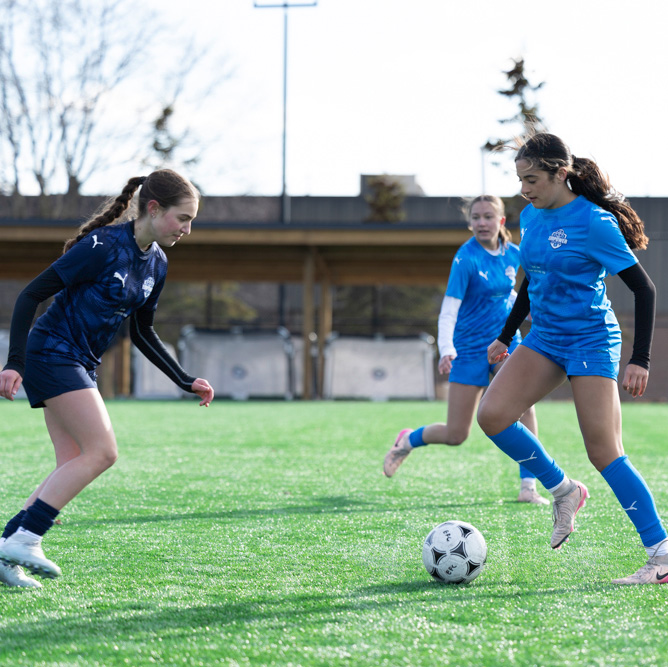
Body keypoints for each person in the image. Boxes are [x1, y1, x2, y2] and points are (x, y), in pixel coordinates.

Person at [0, 169, 214, 589]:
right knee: (102, 451)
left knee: (71, 465)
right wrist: (14, 362)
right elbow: (31, 294)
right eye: (182, 218)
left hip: (78, 361)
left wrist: (184, 379)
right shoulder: (102, 245)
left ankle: (7, 549)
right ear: (153, 209)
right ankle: (26, 538)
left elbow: (142, 331)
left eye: (192, 221)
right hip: (52, 353)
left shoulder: (158, 261)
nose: (187, 229)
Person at [477, 132, 668, 585]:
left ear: (561, 173)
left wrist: (640, 359)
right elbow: (530, 281)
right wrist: (505, 335)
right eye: (520, 179)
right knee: (493, 415)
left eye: (533, 179)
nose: (525, 188)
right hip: (544, 338)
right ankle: (563, 490)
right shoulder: (530, 216)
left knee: (604, 452)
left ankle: (661, 552)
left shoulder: (594, 222)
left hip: (590, 341)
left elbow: (644, 288)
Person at [383, 195, 548, 506]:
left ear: (501, 222)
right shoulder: (465, 258)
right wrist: (446, 349)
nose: (481, 223)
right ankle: (408, 440)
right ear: (470, 222)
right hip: (468, 351)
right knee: (456, 435)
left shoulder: (513, 254)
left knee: (525, 407)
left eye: (488, 217)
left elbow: (508, 294)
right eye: (476, 217)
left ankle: (528, 486)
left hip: (504, 343)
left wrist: (525, 313)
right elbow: (448, 311)